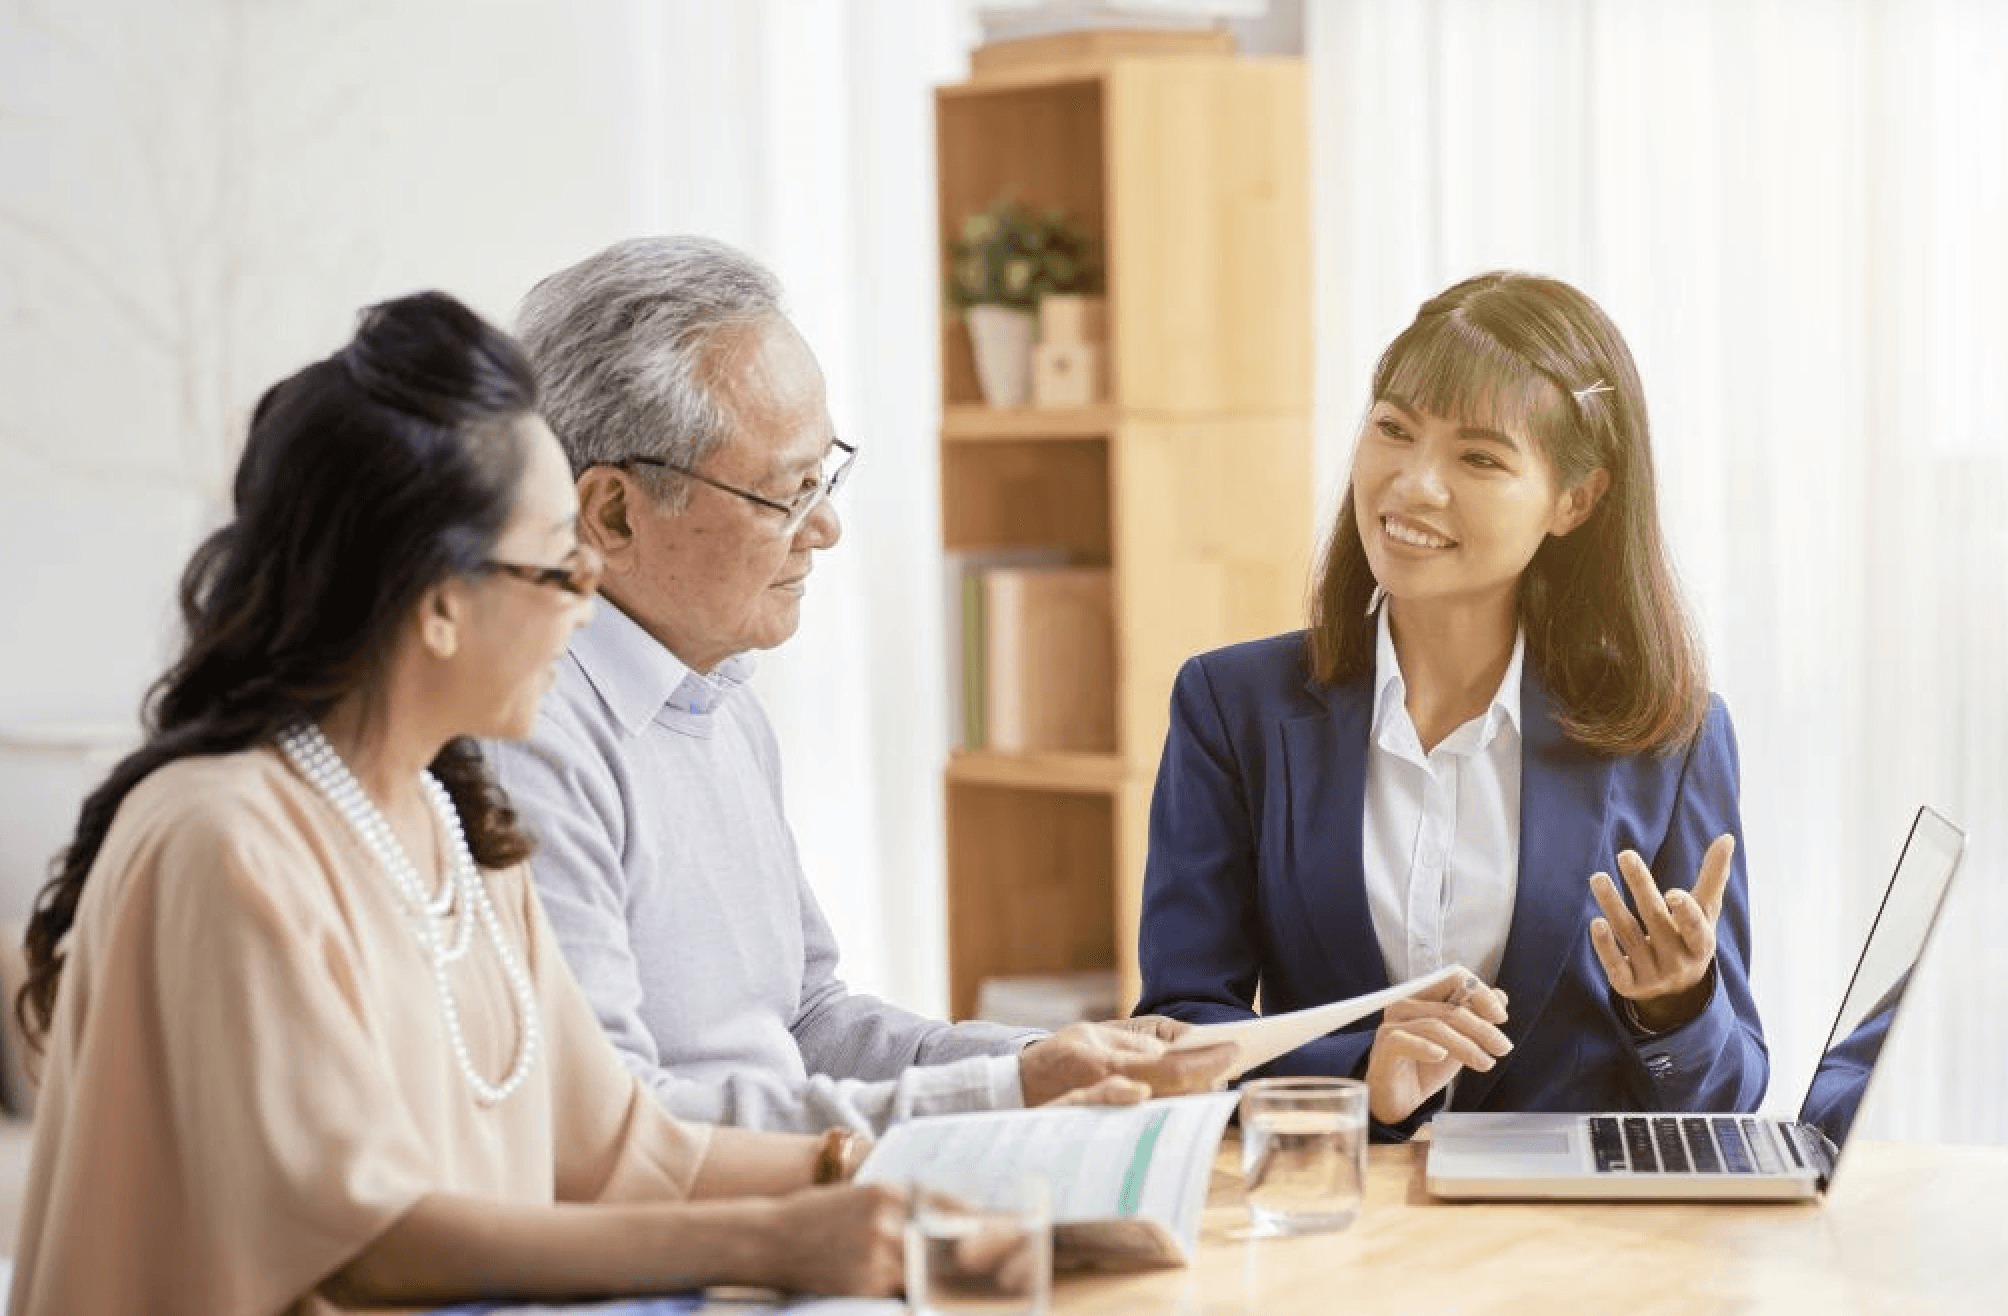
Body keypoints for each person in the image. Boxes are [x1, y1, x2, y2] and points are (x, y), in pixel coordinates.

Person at [8, 292, 927, 1315]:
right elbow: (366, 1242)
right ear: (440, 603)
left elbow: (616, 1150)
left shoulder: (457, 828)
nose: (586, 607)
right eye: (559, 565)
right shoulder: (222, 837)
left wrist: (886, 1173)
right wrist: (776, 1236)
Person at [489, 235, 1229, 1135]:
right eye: (786, 493)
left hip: (788, 1207)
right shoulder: (526, 736)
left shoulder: (718, 697)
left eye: (824, 473)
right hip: (697, 1240)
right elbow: (614, 1126)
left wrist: (1038, 1063)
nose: (826, 526)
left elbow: (807, 1022)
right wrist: (1003, 1097)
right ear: (612, 512)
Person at [1133, 271, 1769, 1138]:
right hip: (1337, 1224)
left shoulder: (1669, 735)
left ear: (1575, 500)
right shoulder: (1230, 709)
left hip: (1573, 1248)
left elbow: (1728, 1101)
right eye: (1393, 430)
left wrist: (1674, 1006)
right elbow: (1174, 1033)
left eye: (1479, 457)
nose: (1413, 486)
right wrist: (1361, 1071)